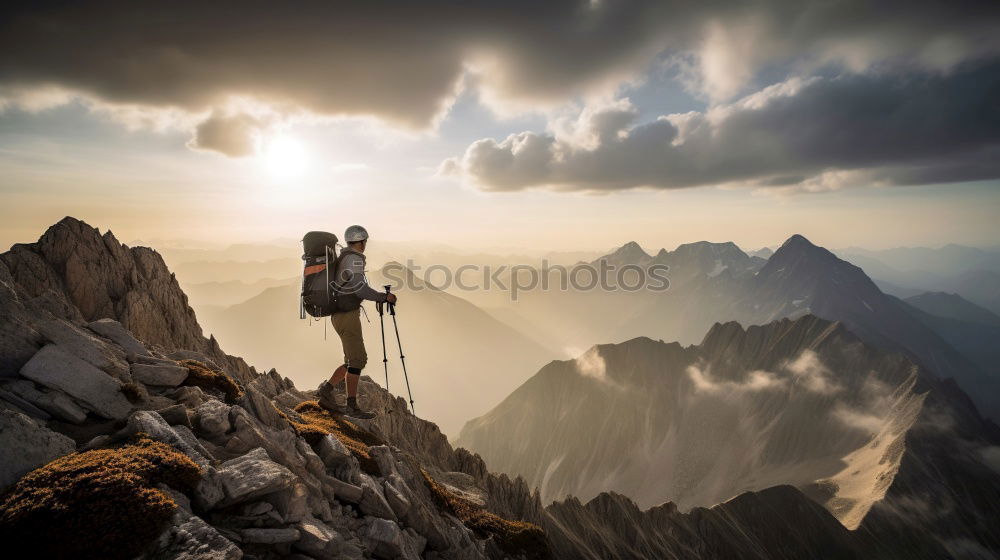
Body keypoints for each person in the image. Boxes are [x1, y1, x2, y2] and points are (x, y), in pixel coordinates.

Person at [317, 225, 397, 418]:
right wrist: (383, 297)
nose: (366, 244)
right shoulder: (353, 260)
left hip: (339, 315)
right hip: (347, 316)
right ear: (361, 242)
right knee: (358, 360)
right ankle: (351, 406)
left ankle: (326, 391)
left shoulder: (344, 257)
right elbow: (360, 289)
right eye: (365, 241)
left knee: (350, 360)